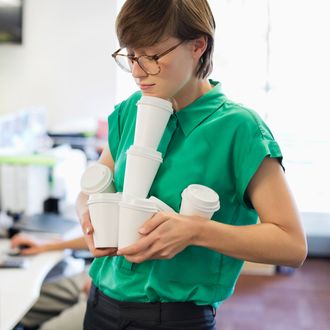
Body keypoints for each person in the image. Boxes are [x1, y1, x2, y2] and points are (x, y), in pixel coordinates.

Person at [76, 1, 308, 329]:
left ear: (198, 45)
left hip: (173, 318)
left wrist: (195, 231)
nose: (138, 71)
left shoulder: (239, 128)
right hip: (100, 305)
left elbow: (292, 245)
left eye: (153, 56)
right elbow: (98, 185)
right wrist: (87, 213)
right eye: (130, 55)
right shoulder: (131, 110)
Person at [11, 233, 90, 330]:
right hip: (96, 275)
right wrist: (46, 245)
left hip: (110, 294)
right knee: (25, 305)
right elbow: (100, 239)